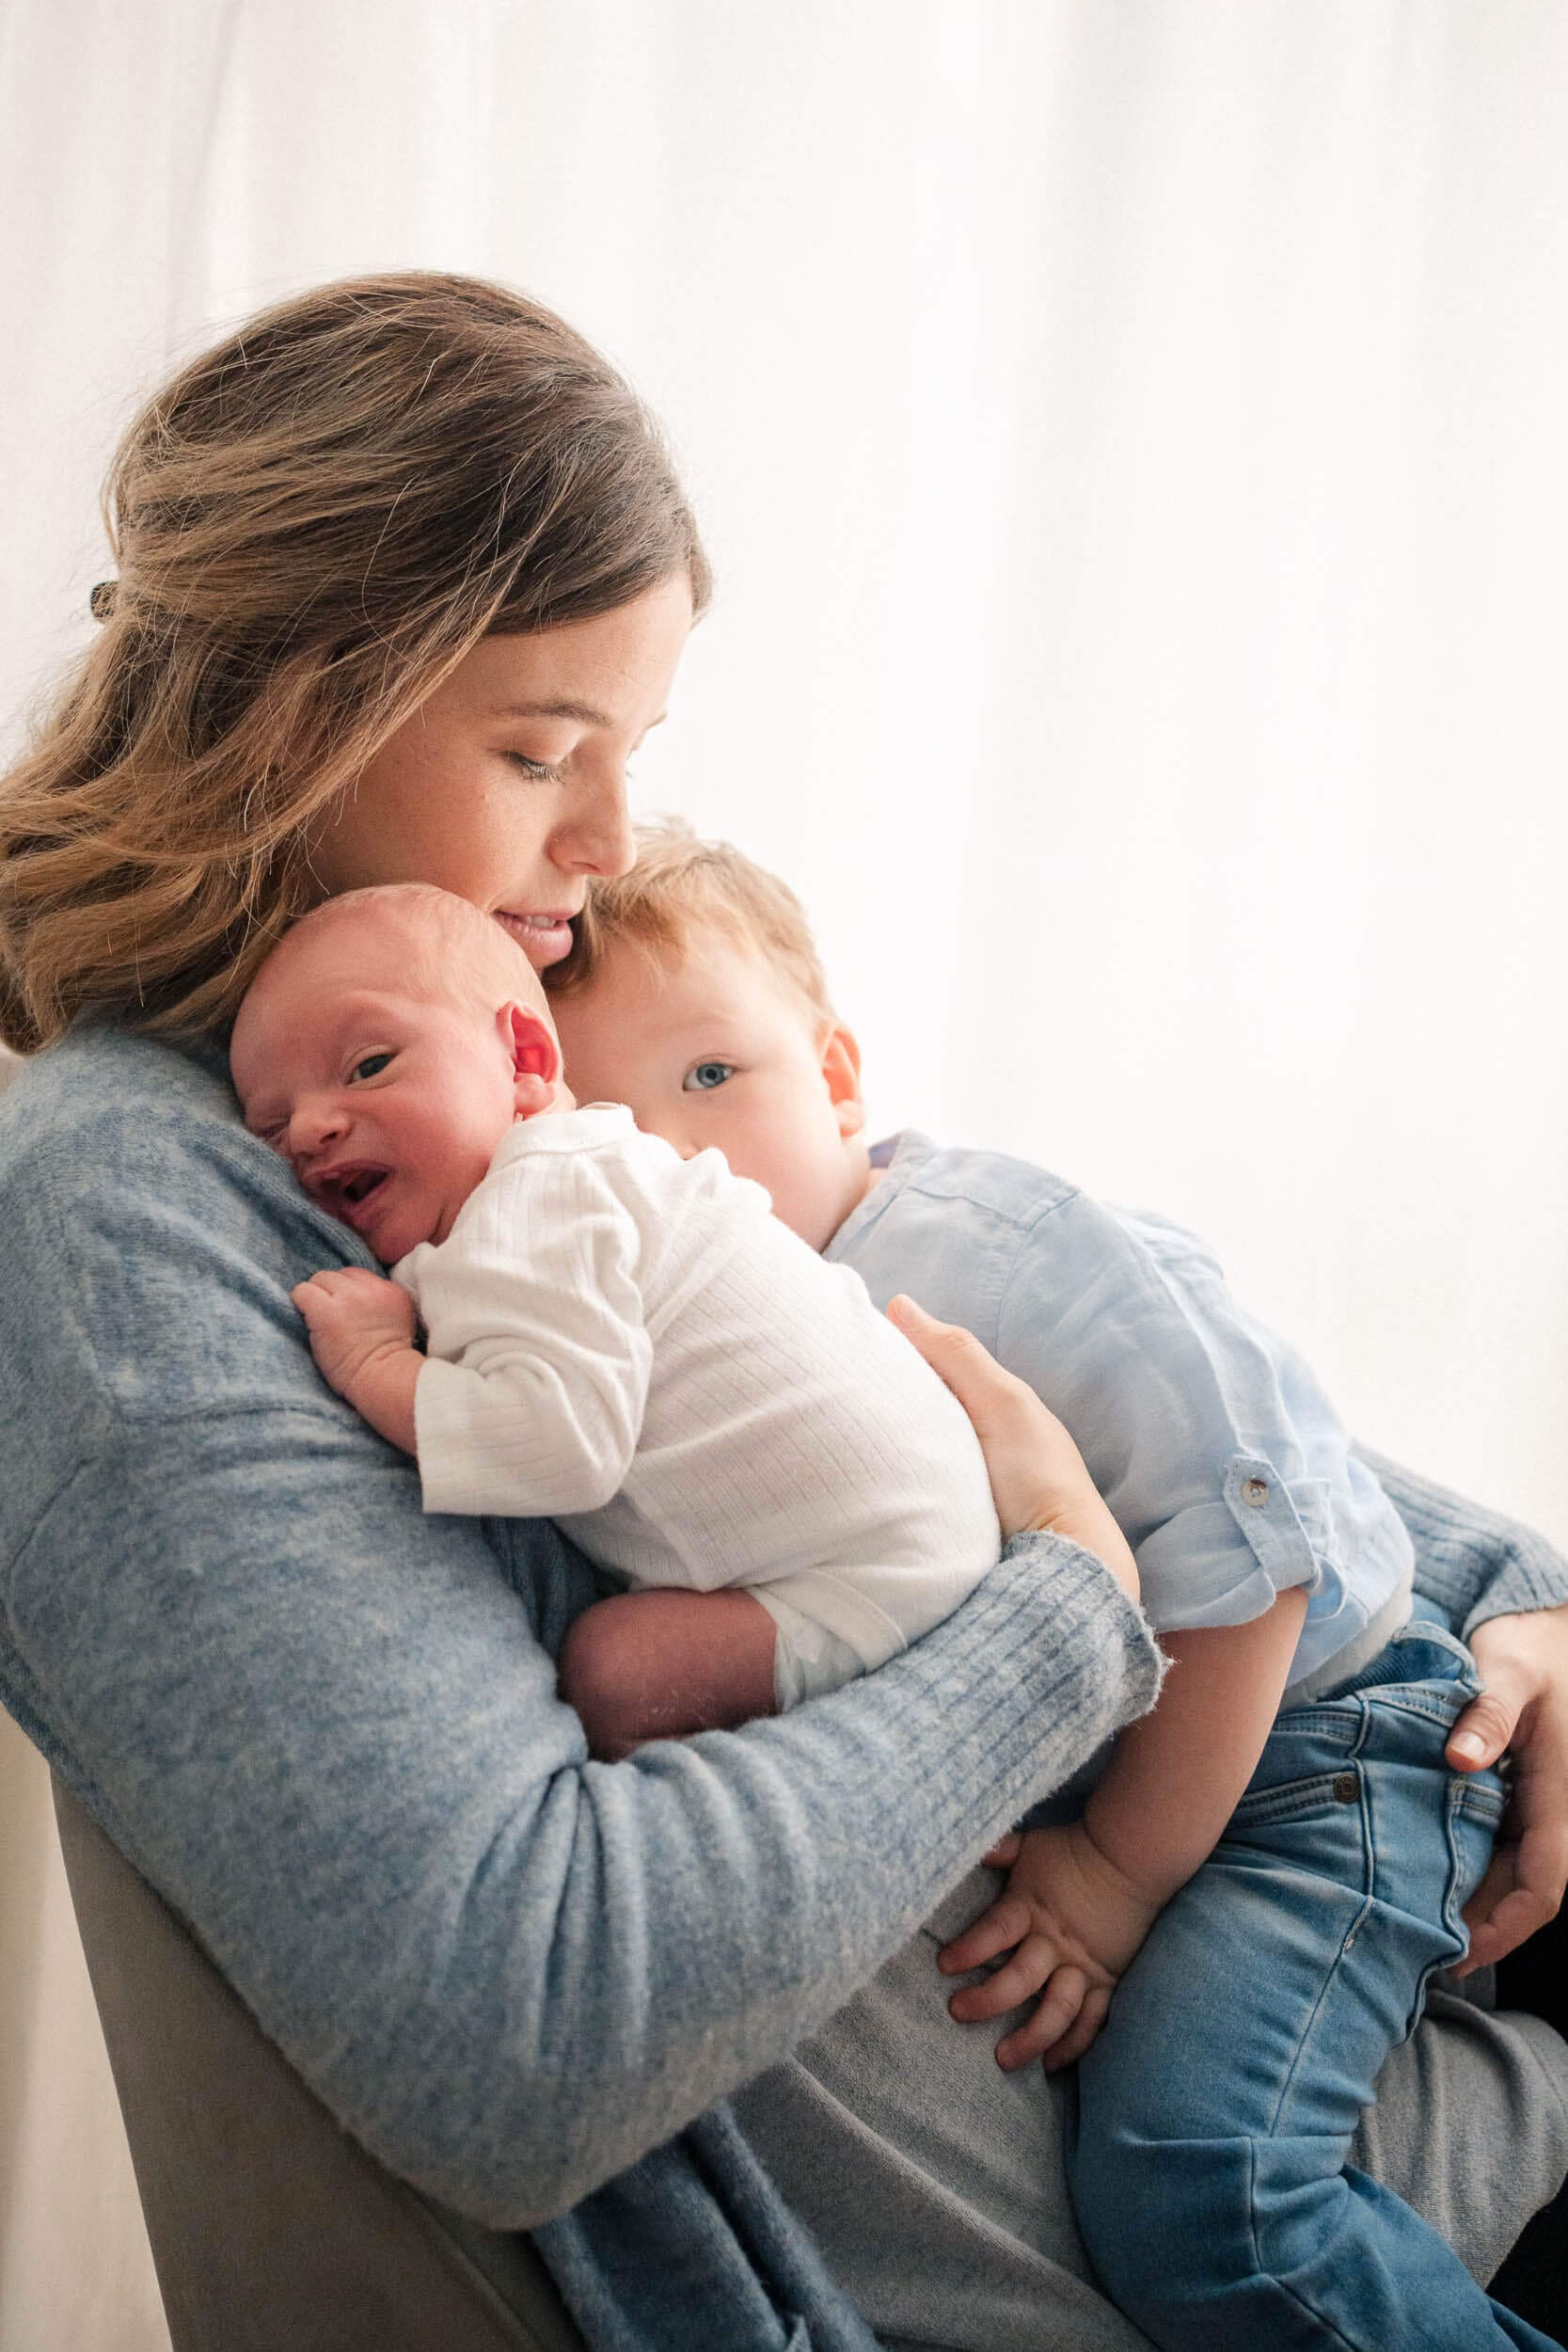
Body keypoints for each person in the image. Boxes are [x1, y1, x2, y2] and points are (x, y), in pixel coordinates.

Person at [0, 275, 1564, 2352]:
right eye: (542, 748)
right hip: (1246, 2213)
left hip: (1365, 1959)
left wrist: (1508, 1589)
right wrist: (1055, 1616)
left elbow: (994, 1330)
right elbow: (519, 2019)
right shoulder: (148, 1204)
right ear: (301, 707)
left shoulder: (494, 1061)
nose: (607, 836)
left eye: (626, 752)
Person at [228, 878, 1039, 1748]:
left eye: (370, 1066)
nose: (312, 1127)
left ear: (525, 1064)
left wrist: (376, 1364)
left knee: (614, 1670)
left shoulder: (533, 1204)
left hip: (877, 1575)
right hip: (924, 1532)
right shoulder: (569, 1182)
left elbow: (554, 1447)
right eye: (272, 1128)